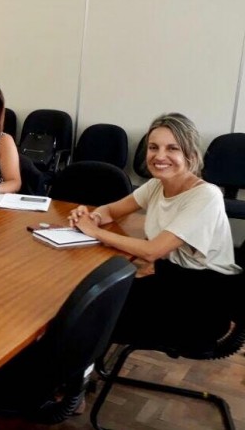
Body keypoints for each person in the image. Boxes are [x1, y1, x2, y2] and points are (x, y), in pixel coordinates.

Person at [68, 112, 242, 346]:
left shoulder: (206, 195)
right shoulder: (156, 185)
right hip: (172, 282)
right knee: (88, 301)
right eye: (153, 147)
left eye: (172, 148)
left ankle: (81, 364)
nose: (159, 156)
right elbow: (110, 210)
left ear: (190, 154)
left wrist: (95, 231)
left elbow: (152, 251)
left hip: (204, 300)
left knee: (93, 314)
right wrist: (92, 217)